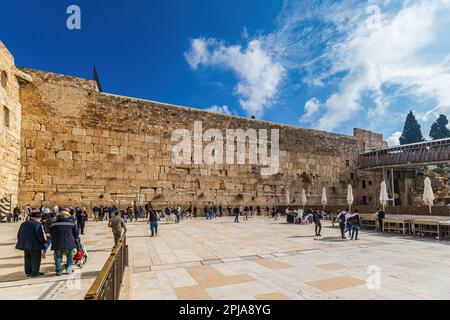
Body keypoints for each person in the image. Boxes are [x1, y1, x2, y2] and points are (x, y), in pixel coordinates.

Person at [15, 211, 46, 277]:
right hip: (35, 245)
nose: (40, 219)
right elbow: (39, 235)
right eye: (40, 218)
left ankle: (28, 272)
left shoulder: (24, 223)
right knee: (35, 259)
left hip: (25, 245)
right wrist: (43, 241)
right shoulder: (37, 224)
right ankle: (35, 273)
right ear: (37, 218)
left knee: (27, 259)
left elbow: (19, 234)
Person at [49, 210, 80, 276]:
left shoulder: (53, 224)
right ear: (67, 216)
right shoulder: (71, 223)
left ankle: (59, 271)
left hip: (57, 243)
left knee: (58, 257)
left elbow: (51, 233)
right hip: (69, 242)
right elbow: (76, 233)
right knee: (69, 256)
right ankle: (69, 270)